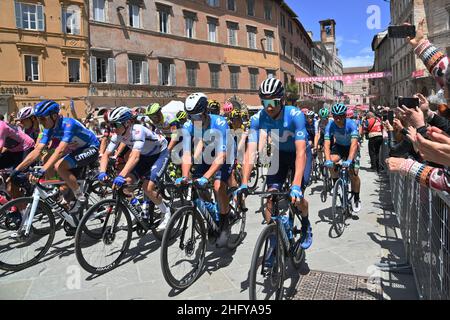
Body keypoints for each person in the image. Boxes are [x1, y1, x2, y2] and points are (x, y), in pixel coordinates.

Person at [236, 78, 313, 253]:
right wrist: (244, 183)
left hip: (300, 155)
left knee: (297, 197)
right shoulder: (258, 118)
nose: (268, 107)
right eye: (265, 102)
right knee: (270, 198)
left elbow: (300, 152)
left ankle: (306, 225)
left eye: (273, 102)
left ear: (282, 100)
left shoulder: (295, 115)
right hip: (280, 155)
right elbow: (251, 151)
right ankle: (273, 236)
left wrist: (295, 185)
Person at [11, 100, 100, 217]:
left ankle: (80, 197)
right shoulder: (49, 128)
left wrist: (42, 170)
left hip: (90, 147)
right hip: (75, 151)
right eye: (39, 119)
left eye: (43, 118)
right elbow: (37, 150)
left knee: (59, 166)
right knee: (55, 169)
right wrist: (17, 170)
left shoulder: (68, 124)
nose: (41, 122)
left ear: (54, 116)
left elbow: (60, 150)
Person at [98, 106, 172, 231]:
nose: (113, 128)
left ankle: (166, 212)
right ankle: (136, 212)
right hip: (144, 156)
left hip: (159, 154)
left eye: (116, 124)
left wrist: (121, 175)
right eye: (111, 125)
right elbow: (106, 154)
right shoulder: (118, 135)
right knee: (124, 186)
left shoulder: (138, 130)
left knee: (147, 187)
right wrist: (102, 172)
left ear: (127, 123)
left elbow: (135, 157)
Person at [177, 93, 233, 247]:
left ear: (205, 112)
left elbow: (222, 156)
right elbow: (187, 153)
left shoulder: (220, 123)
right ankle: (211, 216)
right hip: (207, 154)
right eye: (191, 117)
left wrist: (207, 177)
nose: (194, 121)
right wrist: (184, 176)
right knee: (197, 187)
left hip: (224, 154)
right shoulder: (189, 126)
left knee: (217, 186)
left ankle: (224, 223)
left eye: (197, 116)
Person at [324, 103, 362, 213]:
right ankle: (337, 184)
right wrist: (327, 160)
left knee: (354, 174)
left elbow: (354, 144)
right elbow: (327, 144)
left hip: (352, 147)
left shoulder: (351, 124)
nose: (338, 119)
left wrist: (350, 160)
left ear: (345, 116)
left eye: (340, 116)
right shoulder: (330, 125)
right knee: (330, 161)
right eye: (335, 116)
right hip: (339, 147)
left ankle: (356, 198)